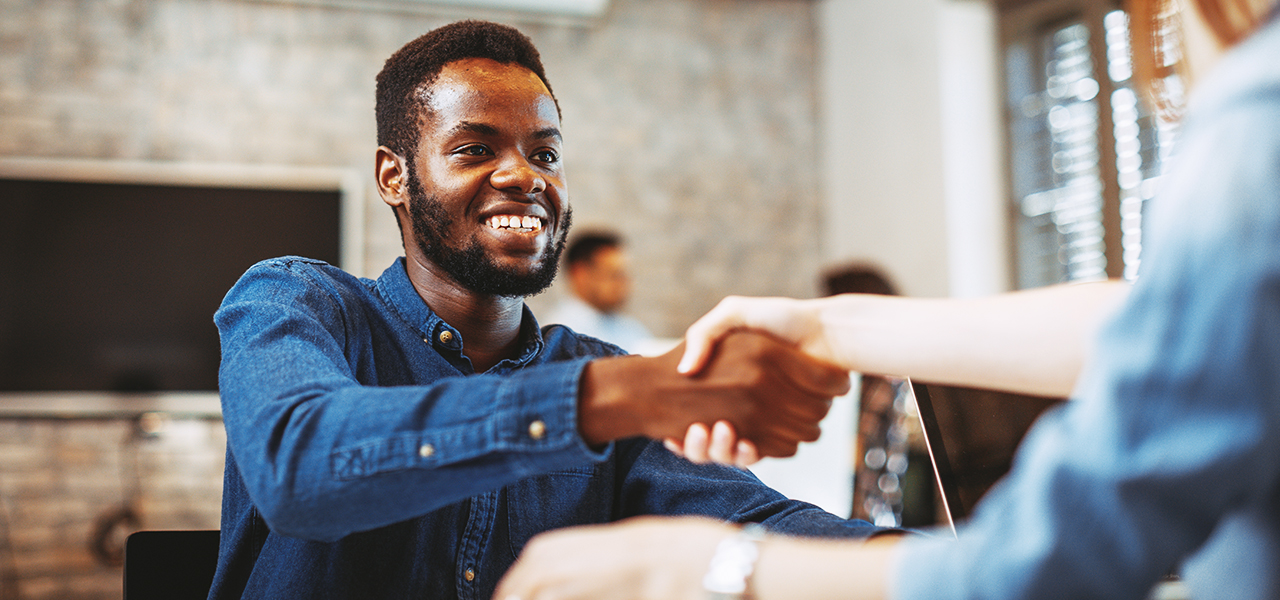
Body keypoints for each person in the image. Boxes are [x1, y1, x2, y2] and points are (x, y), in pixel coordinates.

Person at [493, 0, 1280, 598]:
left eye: (545, 154)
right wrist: (826, 327)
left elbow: (1055, 552)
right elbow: (1171, 325)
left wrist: (719, 568)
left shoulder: (1254, 119)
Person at [208, 20, 886, 599]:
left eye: (545, 153)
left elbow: (764, 522)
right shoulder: (295, 301)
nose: (523, 176)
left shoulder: (606, 375)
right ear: (396, 177)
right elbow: (300, 464)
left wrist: (960, 564)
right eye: (475, 149)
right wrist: (615, 396)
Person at [545, 230, 654, 352]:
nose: (625, 284)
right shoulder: (558, 338)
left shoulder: (632, 330)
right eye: (614, 275)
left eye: (625, 275)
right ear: (580, 274)